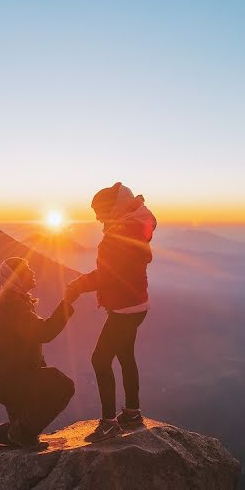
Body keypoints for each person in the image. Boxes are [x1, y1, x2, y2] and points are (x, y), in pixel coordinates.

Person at [0, 256, 78, 452]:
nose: (33, 272)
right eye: (27, 269)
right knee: (63, 385)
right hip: (10, 379)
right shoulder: (12, 305)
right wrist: (68, 302)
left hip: (6, 378)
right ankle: (21, 433)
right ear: (17, 277)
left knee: (18, 434)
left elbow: (32, 342)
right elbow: (44, 332)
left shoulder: (18, 300)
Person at [66, 182, 157, 442]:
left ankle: (108, 424)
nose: (95, 218)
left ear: (110, 209)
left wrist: (77, 286)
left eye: (98, 211)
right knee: (125, 356)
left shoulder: (119, 236)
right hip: (137, 305)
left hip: (125, 308)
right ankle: (132, 412)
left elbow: (107, 275)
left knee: (100, 360)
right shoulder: (131, 229)